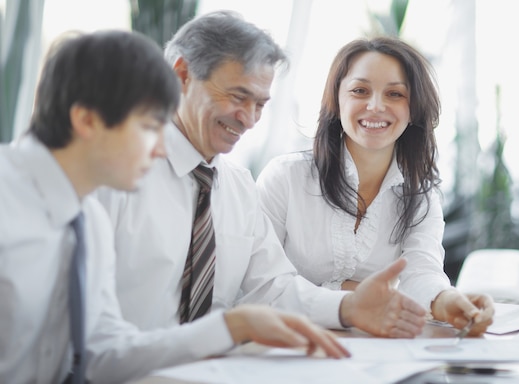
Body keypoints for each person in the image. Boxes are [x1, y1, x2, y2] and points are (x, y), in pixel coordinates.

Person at [0, 30, 349, 384]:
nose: (162, 149)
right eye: (151, 127)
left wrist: (230, 327)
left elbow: (103, 352)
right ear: (87, 120)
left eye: (260, 104)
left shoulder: (85, 218)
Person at [96, 11, 426, 340]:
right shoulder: (114, 177)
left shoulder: (237, 187)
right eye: (238, 97)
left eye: (260, 105)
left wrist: (348, 308)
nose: (249, 119)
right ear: (182, 75)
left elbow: (272, 286)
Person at [256, 37, 494, 335]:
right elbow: (261, 286)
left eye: (395, 94)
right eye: (360, 91)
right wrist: (350, 297)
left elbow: (421, 271)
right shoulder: (284, 178)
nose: (376, 106)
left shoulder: (421, 194)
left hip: (375, 349)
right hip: (288, 344)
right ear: (336, 99)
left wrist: (446, 301)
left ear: (414, 109)